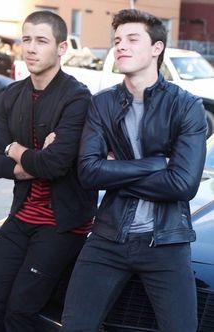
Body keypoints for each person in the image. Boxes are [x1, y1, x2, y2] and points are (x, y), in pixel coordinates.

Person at [60, 9, 207, 332]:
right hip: (108, 238)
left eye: (131, 39)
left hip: (166, 242)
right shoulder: (103, 103)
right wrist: (156, 165)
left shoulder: (187, 107)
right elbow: (88, 174)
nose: (120, 46)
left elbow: (183, 184)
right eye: (116, 40)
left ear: (156, 48)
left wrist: (115, 171)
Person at [0, 10, 97, 332]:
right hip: (21, 216)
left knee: (20, 311)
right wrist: (32, 161)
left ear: (61, 48)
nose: (30, 48)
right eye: (26, 39)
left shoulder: (77, 97)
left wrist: (15, 150)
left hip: (62, 223)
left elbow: (56, 164)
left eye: (41, 41)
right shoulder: (11, 95)